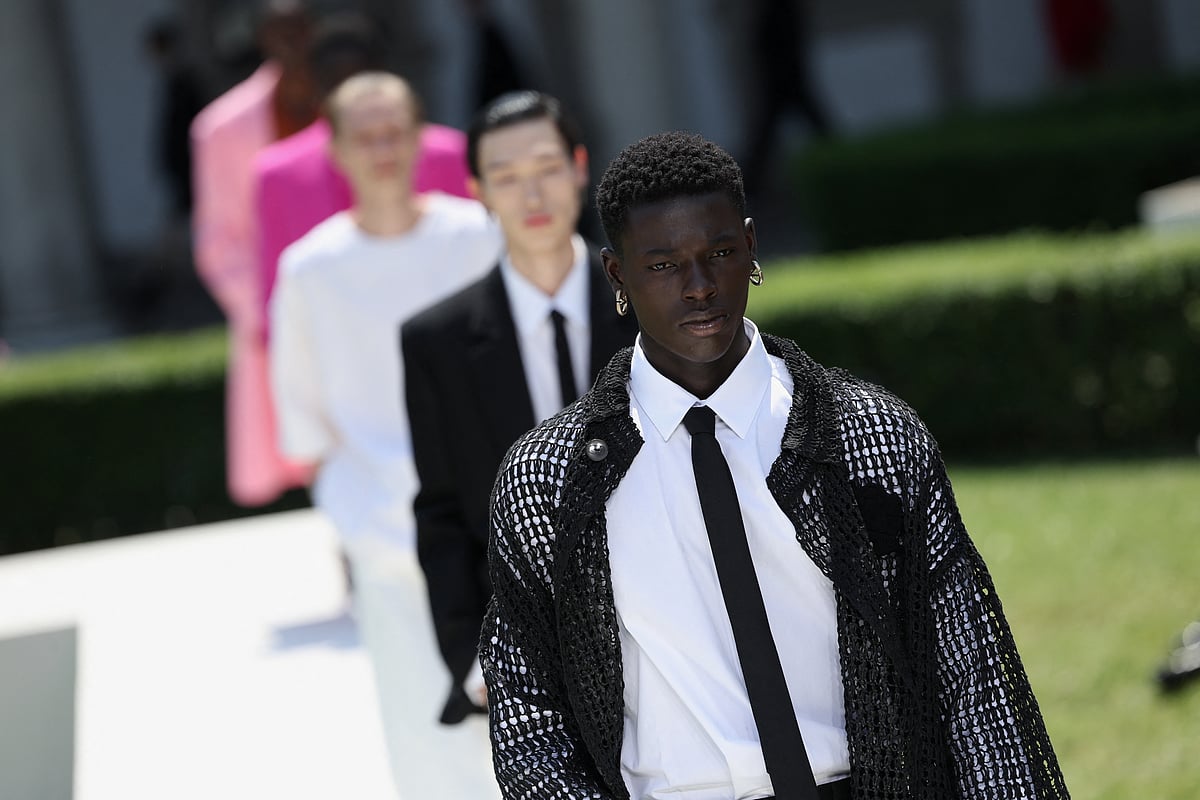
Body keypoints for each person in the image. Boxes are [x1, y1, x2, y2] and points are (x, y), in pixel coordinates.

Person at [480, 131, 1070, 799]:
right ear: (618, 275)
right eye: (665, 265)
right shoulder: (549, 479)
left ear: (752, 248)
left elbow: (969, 675)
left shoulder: (869, 434)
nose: (700, 287)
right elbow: (531, 719)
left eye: (721, 253)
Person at [269, 71, 502, 799]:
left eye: (395, 130)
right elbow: (302, 418)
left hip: (499, 521)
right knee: (423, 739)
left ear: (419, 136)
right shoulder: (311, 269)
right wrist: (353, 512)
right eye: (364, 135)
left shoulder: (478, 236)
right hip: (384, 533)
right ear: (334, 149)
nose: (382, 148)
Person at [401, 91, 637, 726]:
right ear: (477, 189)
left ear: (580, 166)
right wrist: (475, 659)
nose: (531, 197)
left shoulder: (654, 307)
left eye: (546, 169)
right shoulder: (436, 342)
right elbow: (443, 510)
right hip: (531, 655)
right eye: (506, 178)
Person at [254, 12, 474, 334]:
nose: (350, 93)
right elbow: (277, 305)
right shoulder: (277, 174)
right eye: (334, 80)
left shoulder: (450, 153)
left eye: (358, 76)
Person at [191, 0, 319, 506]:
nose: (293, 41)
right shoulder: (222, 126)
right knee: (301, 447)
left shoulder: (354, 106)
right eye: (280, 29)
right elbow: (219, 242)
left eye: (301, 27)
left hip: (360, 296)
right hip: (278, 310)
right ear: (262, 36)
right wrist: (266, 313)